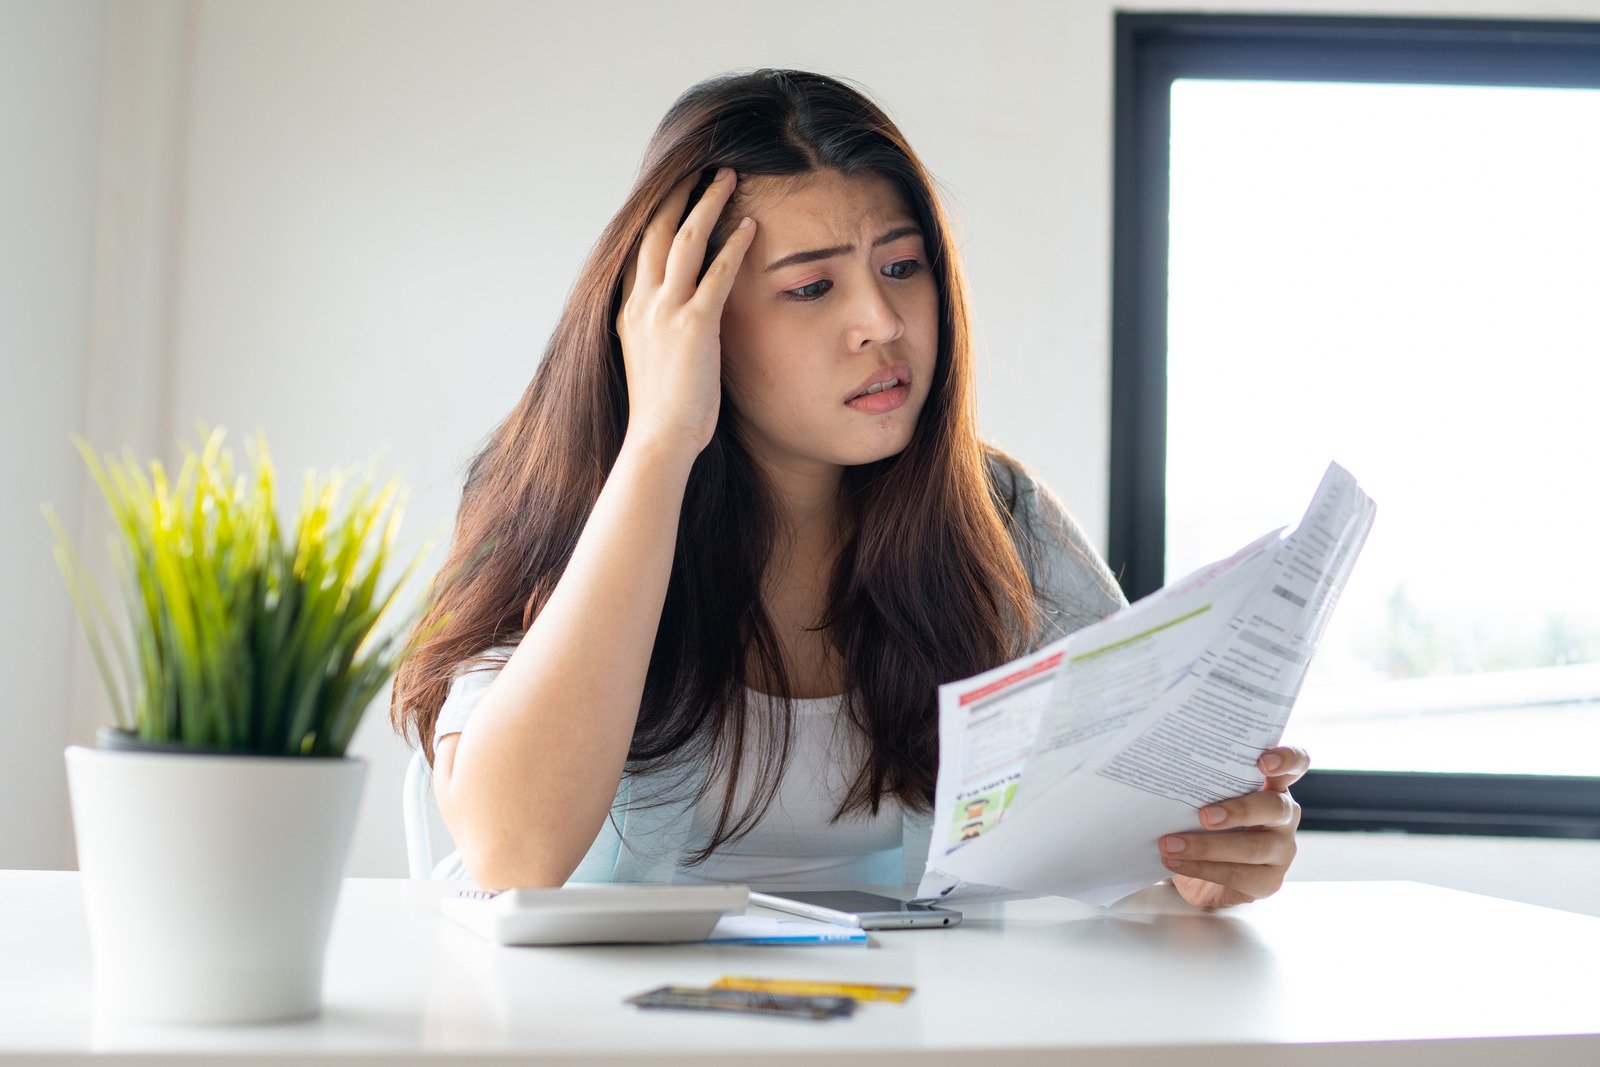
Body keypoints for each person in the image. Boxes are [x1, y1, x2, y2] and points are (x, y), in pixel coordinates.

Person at [390, 68, 1307, 909]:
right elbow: (514, 854)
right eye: (812, 287)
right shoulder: (560, 496)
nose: (880, 321)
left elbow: (1136, 813)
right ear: (685, 315)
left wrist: (1207, 856)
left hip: (909, 1024)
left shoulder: (1000, 522)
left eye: (902, 268)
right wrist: (660, 442)